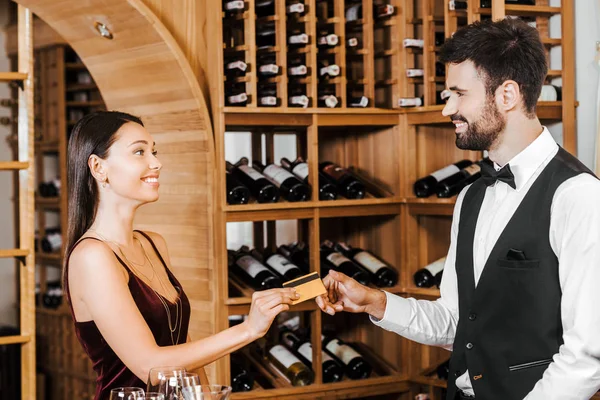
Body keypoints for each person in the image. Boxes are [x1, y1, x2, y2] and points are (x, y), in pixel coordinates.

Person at [316, 18, 600, 400]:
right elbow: (457, 323)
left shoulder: (578, 196)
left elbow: (586, 357)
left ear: (507, 95)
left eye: (458, 93)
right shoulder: (471, 197)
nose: (446, 107)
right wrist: (375, 302)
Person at [64, 111, 298, 400]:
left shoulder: (153, 244)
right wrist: (249, 329)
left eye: (154, 151)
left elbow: (181, 345)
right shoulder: (92, 257)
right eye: (139, 151)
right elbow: (149, 365)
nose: (156, 162)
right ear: (98, 167)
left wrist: (201, 395)